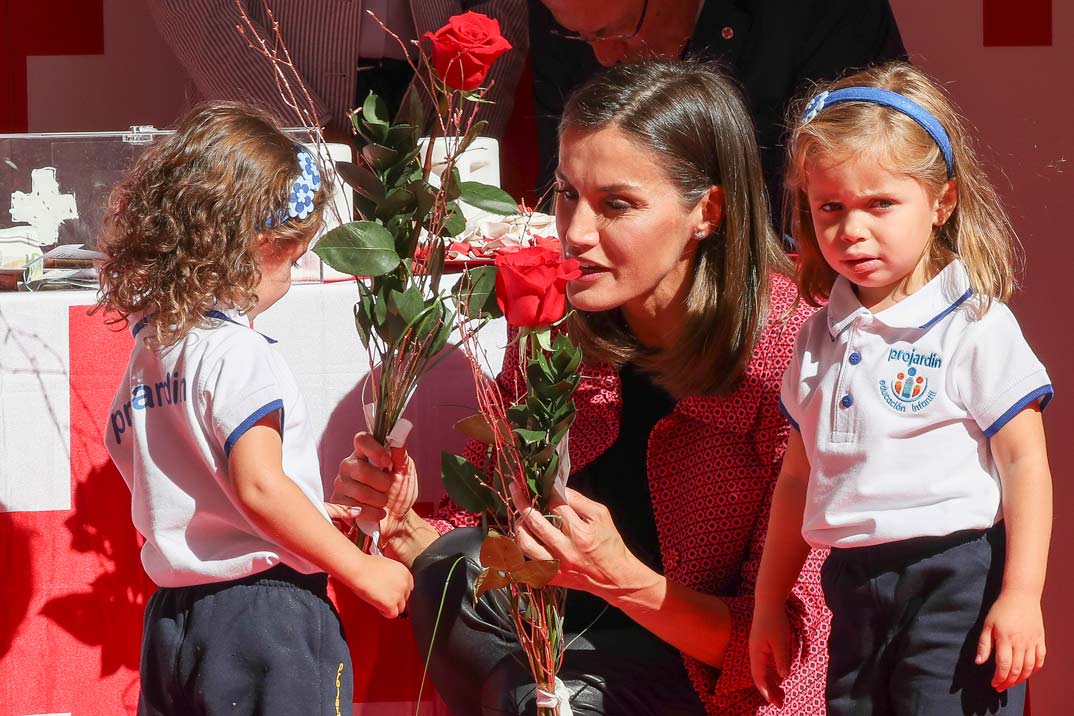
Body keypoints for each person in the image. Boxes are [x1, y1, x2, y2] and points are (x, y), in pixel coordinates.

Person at [333, 60, 828, 715]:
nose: (577, 233)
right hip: (555, 663)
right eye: (567, 193)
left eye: (617, 204)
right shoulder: (558, 323)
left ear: (706, 211)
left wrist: (623, 580)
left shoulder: (800, 360)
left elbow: (792, 654)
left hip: (708, 692)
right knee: (452, 570)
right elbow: (485, 533)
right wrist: (399, 527)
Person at [749, 62, 1053, 715]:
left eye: (880, 203)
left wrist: (1022, 593)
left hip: (955, 581)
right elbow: (798, 480)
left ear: (941, 202)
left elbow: (1025, 461)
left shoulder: (974, 323)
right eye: (830, 207)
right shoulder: (817, 337)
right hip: (853, 586)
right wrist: (768, 604)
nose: (851, 229)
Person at [94, 103, 413, 716]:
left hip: (175, 617)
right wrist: (360, 570)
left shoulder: (154, 349)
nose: (291, 278)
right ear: (263, 247)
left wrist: (303, 507)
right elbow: (259, 486)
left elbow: (140, 454)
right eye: (293, 260)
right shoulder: (240, 352)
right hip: (269, 616)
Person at [529, 0, 906, 204]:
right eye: (581, 36)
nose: (604, 57)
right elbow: (561, 179)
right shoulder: (562, 23)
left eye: (619, 32)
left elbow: (868, 174)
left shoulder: (819, 12)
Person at [148, 1, 528, 140]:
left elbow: (501, 10)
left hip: (432, 103)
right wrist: (294, 125)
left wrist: (460, 135)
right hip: (272, 101)